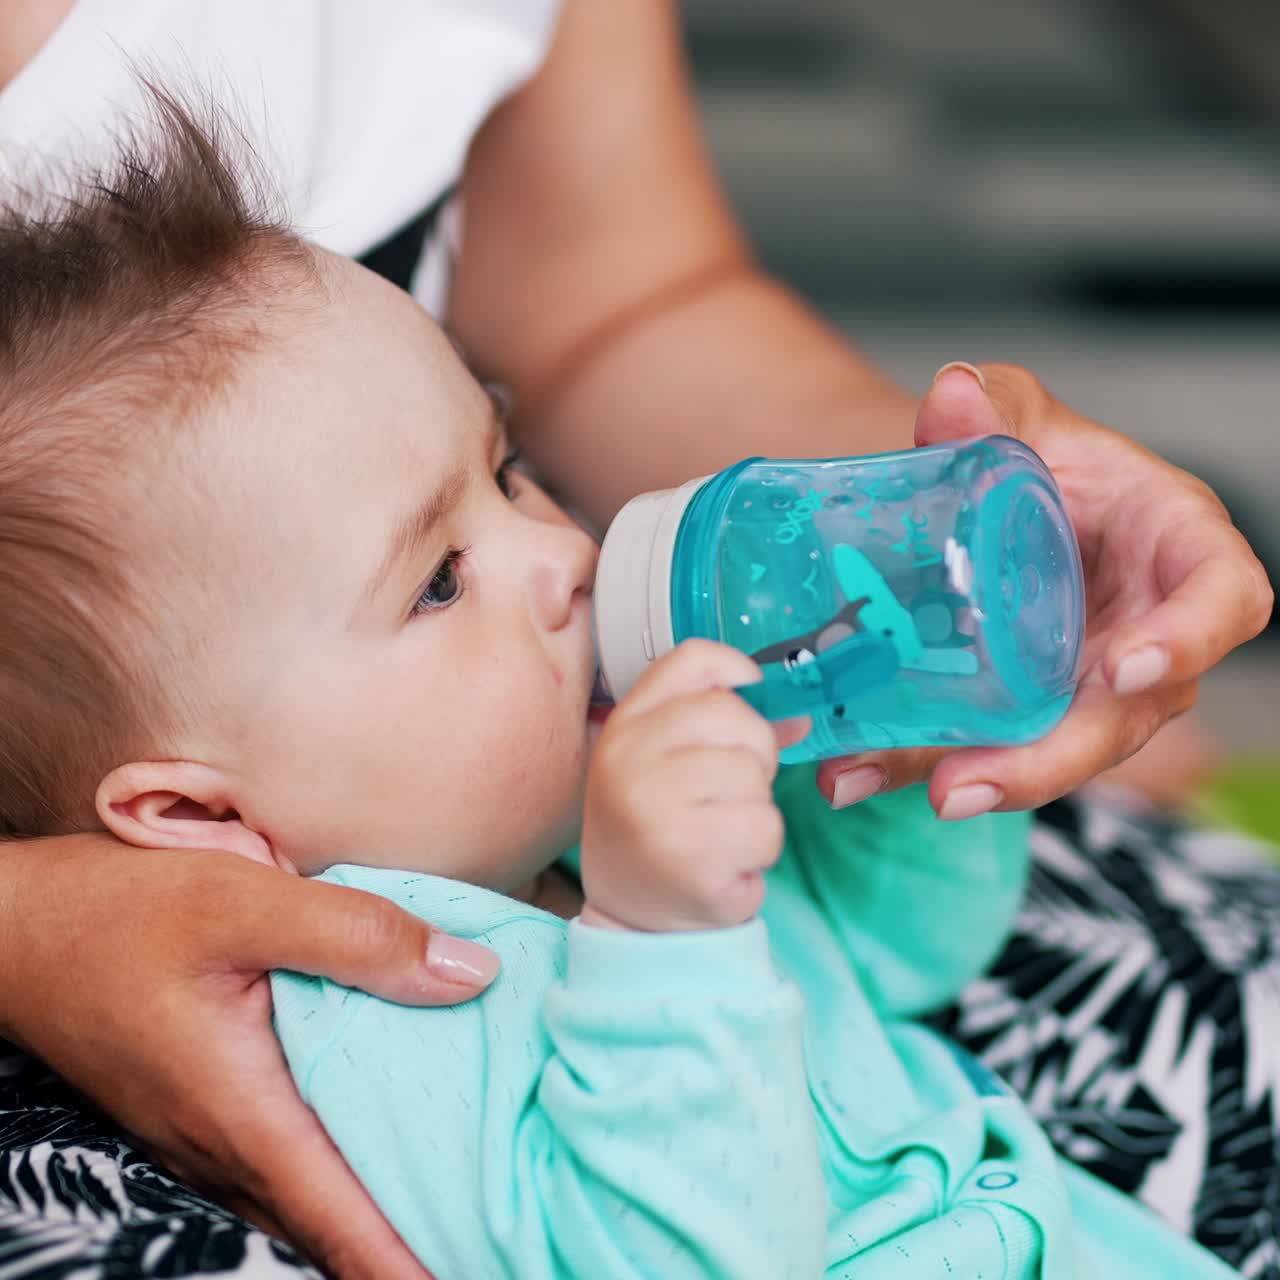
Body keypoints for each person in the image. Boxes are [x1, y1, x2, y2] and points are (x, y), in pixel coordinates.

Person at [0, 3, 1271, 1278]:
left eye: (505, 471)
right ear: (196, 817)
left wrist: (902, 708)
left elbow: (907, 949)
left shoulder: (536, 824)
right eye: (441, 581)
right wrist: (664, 946)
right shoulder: (373, 1001)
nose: (563, 554)